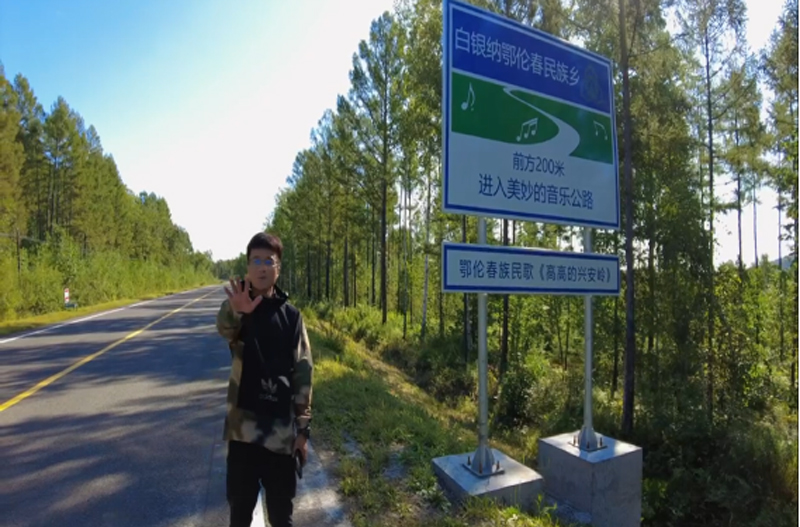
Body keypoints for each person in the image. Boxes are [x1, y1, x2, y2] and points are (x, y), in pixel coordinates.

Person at [216, 232, 313, 527]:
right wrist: (238, 312)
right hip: (242, 435)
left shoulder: (292, 317)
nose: (261, 267)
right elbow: (224, 329)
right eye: (255, 261)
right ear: (247, 267)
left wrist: (303, 431)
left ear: (278, 268)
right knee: (240, 516)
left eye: (268, 261)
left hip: (280, 437)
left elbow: (303, 373)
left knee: (282, 517)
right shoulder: (238, 306)